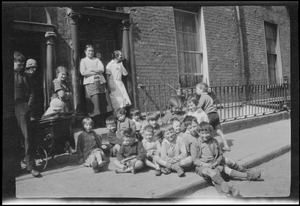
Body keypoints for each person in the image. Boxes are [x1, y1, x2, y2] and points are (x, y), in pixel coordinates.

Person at [191, 122, 262, 197]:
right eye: (202, 133)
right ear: (198, 133)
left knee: (226, 170)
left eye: (207, 133)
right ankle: (231, 189)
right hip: (202, 166)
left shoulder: (214, 141)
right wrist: (205, 165)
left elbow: (220, 155)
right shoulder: (195, 143)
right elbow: (195, 160)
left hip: (214, 164)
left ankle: (248, 176)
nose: (205, 135)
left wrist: (216, 162)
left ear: (210, 132)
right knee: (210, 172)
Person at [14, 51, 40, 177]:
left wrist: (28, 107)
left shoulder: (26, 76)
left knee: (27, 137)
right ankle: (14, 167)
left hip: (22, 108)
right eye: (19, 65)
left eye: (23, 65)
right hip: (9, 109)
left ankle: (31, 166)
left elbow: (32, 93)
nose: (22, 67)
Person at [80, 44, 113, 127]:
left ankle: (102, 121)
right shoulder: (83, 61)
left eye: (92, 51)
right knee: (95, 103)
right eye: (89, 51)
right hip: (91, 84)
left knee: (103, 102)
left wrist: (91, 70)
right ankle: (95, 122)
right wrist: (96, 71)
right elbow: (83, 72)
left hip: (101, 83)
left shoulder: (97, 59)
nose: (91, 52)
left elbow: (102, 69)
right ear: (85, 52)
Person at [196, 82, 231, 151]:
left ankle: (210, 148)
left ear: (202, 90)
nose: (196, 91)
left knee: (205, 130)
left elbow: (198, 107)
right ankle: (226, 145)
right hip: (215, 114)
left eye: (197, 90)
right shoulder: (209, 96)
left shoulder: (202, 97)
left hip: (209, 115)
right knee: (219, 131)